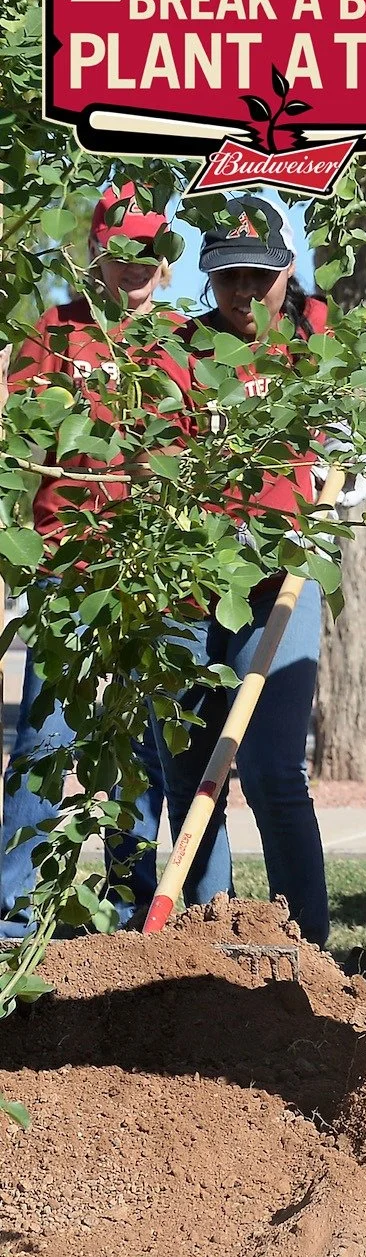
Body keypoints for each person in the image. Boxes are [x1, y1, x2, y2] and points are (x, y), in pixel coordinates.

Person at [154, 195, 330, 944]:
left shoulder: (320, 338)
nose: (244, 292)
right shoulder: (177, 348)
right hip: (185, 590)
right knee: (189, 779)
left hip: (278, 585)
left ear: (289, 269)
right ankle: (210, 945)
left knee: (270, 771)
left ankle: (310, 949)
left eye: (261, 274)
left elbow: (363, 405)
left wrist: (345, 442)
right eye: (228, 276)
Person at [1, 185, 175, 933]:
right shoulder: (55, 332)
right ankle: (13, 911)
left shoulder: (184, 342)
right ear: (97, 253)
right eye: (121, 250)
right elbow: (15, 438)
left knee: (138, 746)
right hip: (63, 568)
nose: (133, 265)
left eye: (148, 252)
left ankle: (132, 908)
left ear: (165, 263)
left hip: (148, 575)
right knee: (45, 739)